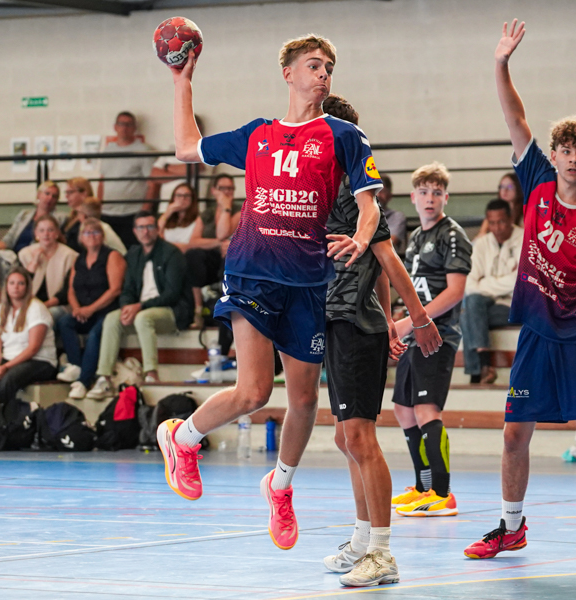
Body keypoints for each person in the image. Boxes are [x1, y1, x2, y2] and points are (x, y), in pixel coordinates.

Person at [154, 35, 385, 560]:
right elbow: (187, 148)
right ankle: (182, 438)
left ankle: (280, 485)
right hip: (252, 274)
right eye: (312, 65)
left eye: (328, 66)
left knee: (304, 401)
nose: (323, 73)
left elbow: (371, 204)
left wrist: (362, 236)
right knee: (255, 391)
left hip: (308, 281)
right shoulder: (258, 134)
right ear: (288, 73)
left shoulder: (343, 135)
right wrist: (182, 81)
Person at [464, 20, 576, 565]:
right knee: (515, 434)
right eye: (564, 147)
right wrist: (501, 64)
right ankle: (510, 528)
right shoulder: (535, 177)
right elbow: (515, 117)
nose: (570, 156)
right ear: (556, 153)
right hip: (537, 334)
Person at [318, 93, 441, 587]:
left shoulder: (355, 190)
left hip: (354, 325)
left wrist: (417, 319)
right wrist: (392, 317)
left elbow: (388, 260)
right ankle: (363, 539)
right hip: (340, 320)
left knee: (361, 438)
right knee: (344, 437)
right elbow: (378, 266)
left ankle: (383, 553)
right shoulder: (326, 187)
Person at [390, 161, 472, 518]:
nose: (430, 198)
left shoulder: (452, 235)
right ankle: (422, 486)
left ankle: (442, 491)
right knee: (403, 410)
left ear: (445, 198)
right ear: (413, 197)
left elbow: (455, 292)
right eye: (423, 192)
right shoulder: (415, 238)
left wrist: (410, 322)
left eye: (437, 192)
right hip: (413, 333)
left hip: (437, 336)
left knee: (426, 411)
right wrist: (399, 321)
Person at [85, 211, 192, 396]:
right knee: (112, 318)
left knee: (143, 318)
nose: (145, 232)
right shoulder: (133, 255)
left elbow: (172, 294)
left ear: (157, 229)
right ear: (135, 231)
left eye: (150, 227)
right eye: (141, 227)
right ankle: (105, 378)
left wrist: (139, 306)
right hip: (142, 309)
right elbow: (127, 289)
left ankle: (151, 374)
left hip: (173, 311)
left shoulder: (171, 253)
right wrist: (127, 306)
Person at [56, 219, 125, 400]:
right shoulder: (78, 259)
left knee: (95, 334)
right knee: (64, 322)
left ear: (102, 236)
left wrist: (90, 309)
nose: (92, 236)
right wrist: (78, 309)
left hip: (106, 310)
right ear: (81, 238)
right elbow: (70, 289)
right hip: (84, 311)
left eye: (96, 232)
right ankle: (77, 367)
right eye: (87, 233)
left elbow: (115, 289)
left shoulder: (112, 256)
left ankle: (83, 381)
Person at [460, 198, 523, 384]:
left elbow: (519, 283)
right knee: (471, 303)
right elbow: (469, 284)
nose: (497, 228)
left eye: (501, 221)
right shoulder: (482, 244)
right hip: (484, 305)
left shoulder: (526, 239)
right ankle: (484, 367)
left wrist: (485, 283)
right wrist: (498, 284)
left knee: (467, 313)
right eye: (493, 223)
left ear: (511, 218)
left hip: (515, 306)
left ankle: (477, 372)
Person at [158, 183, 224, 328]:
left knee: (193, 259)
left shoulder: (197, 219)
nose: (182, 199)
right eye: (178, 195)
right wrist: (168, 211)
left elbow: (191, 244)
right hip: (167, 259)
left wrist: (169, 246)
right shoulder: (167, 221)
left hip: (186, 259)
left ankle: (197, 310)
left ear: (193, 199)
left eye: (186, 196)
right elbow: (156, 238)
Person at [0, 267, 58, 407]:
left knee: (9, 379)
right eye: (12, 283)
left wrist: (5, 367)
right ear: (6, 286)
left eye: (21, 283)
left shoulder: (36, 308)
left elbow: (33, 348)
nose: (16, 287)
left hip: (39, 361)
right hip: (10, 359)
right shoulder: (1, 309)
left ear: (27, 287)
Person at [98, 111, 154, 248]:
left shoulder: (143, 150)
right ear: (115, 127)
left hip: (131, 212)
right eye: (121, 124)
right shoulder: (108, 150)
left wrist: (145, 210)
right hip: (107, 212)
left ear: (134, 128)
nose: (124, 128)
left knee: (131, 251)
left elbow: (152, 183)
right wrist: (98, 206)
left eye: (128, 125)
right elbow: (102, 180)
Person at [18, 215, 78, 322]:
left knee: (42, 317)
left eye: (50, 230)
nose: (46, 234)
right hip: (30, 304)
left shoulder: (70, 256)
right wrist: (33, 263)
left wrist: (43, 306)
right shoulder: (25, 254)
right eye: (41, 230)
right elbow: (20, 284)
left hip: (59, 306)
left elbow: (66, 292)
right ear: (36, 234)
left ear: (57, 233)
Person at [0, 181, 62, 253]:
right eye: (47, 194)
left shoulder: (58, 219)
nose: (50, 198)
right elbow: (9, 238)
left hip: (36, 255)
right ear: (38, 195)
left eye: (54, 196)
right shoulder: (24, 214)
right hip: (13, 255)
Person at [476, 172, 524, 238]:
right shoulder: (493, 211)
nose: (505, 190)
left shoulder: (525, 213)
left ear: (518, 188)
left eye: (510, 186)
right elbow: (481, 234)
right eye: (502, 187)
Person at [377, 175, 407, 256]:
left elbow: (390, 243)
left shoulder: (397, 216)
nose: (379, 195)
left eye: (383, 191)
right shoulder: (359, 215)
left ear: (389, 196)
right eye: (376, 191)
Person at [62, 177, 93, 254]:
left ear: (84, 193)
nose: (66, 196)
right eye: (66, 193)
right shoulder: (72, 216)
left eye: (70, 192)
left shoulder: (90, 217)